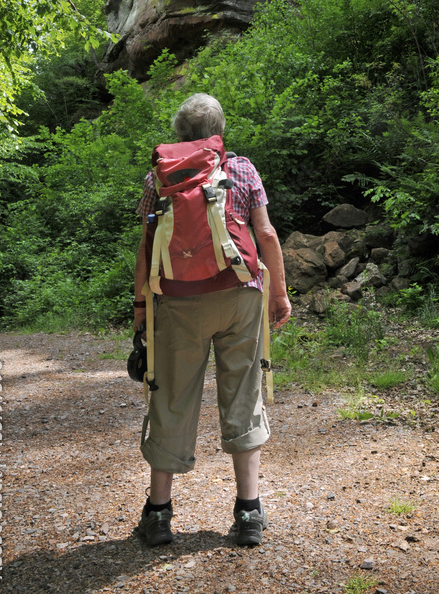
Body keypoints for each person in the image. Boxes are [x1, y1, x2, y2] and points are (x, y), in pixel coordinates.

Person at [132, 93, 291, 548]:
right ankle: (249, 513)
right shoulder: (242, 170)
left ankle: (159, 515)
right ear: (220, 130)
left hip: (178, 302)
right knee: (243, 389)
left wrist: (141, 309)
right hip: (239, 294)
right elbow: (265, 234)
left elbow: (146, 249)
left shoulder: (157, 177)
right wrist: (278, 293)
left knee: (172, 398)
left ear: (179, 135)